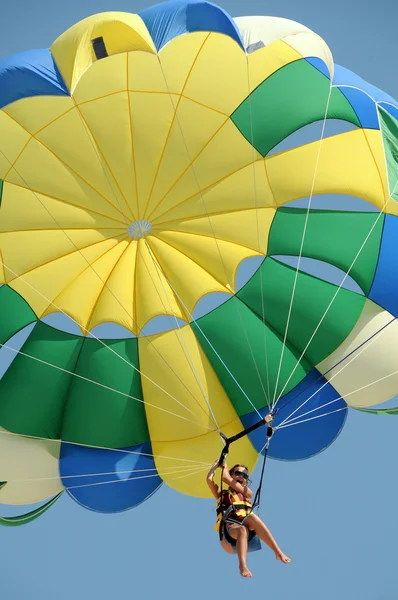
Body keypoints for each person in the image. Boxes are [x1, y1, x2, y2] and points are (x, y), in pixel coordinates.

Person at [207, 459, 291, 578]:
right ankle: (242, 566)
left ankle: (278, 552)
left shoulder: (248, 492)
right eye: (238, 473)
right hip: (229, 537)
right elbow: (209, 480)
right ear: (232, 475)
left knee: (252, 518)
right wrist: (215, 466)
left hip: (247, 532)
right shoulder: (222, 494)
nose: (241, 476)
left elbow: (225, 478)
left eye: (245, 475)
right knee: (242, 529)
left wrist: (225, 466)